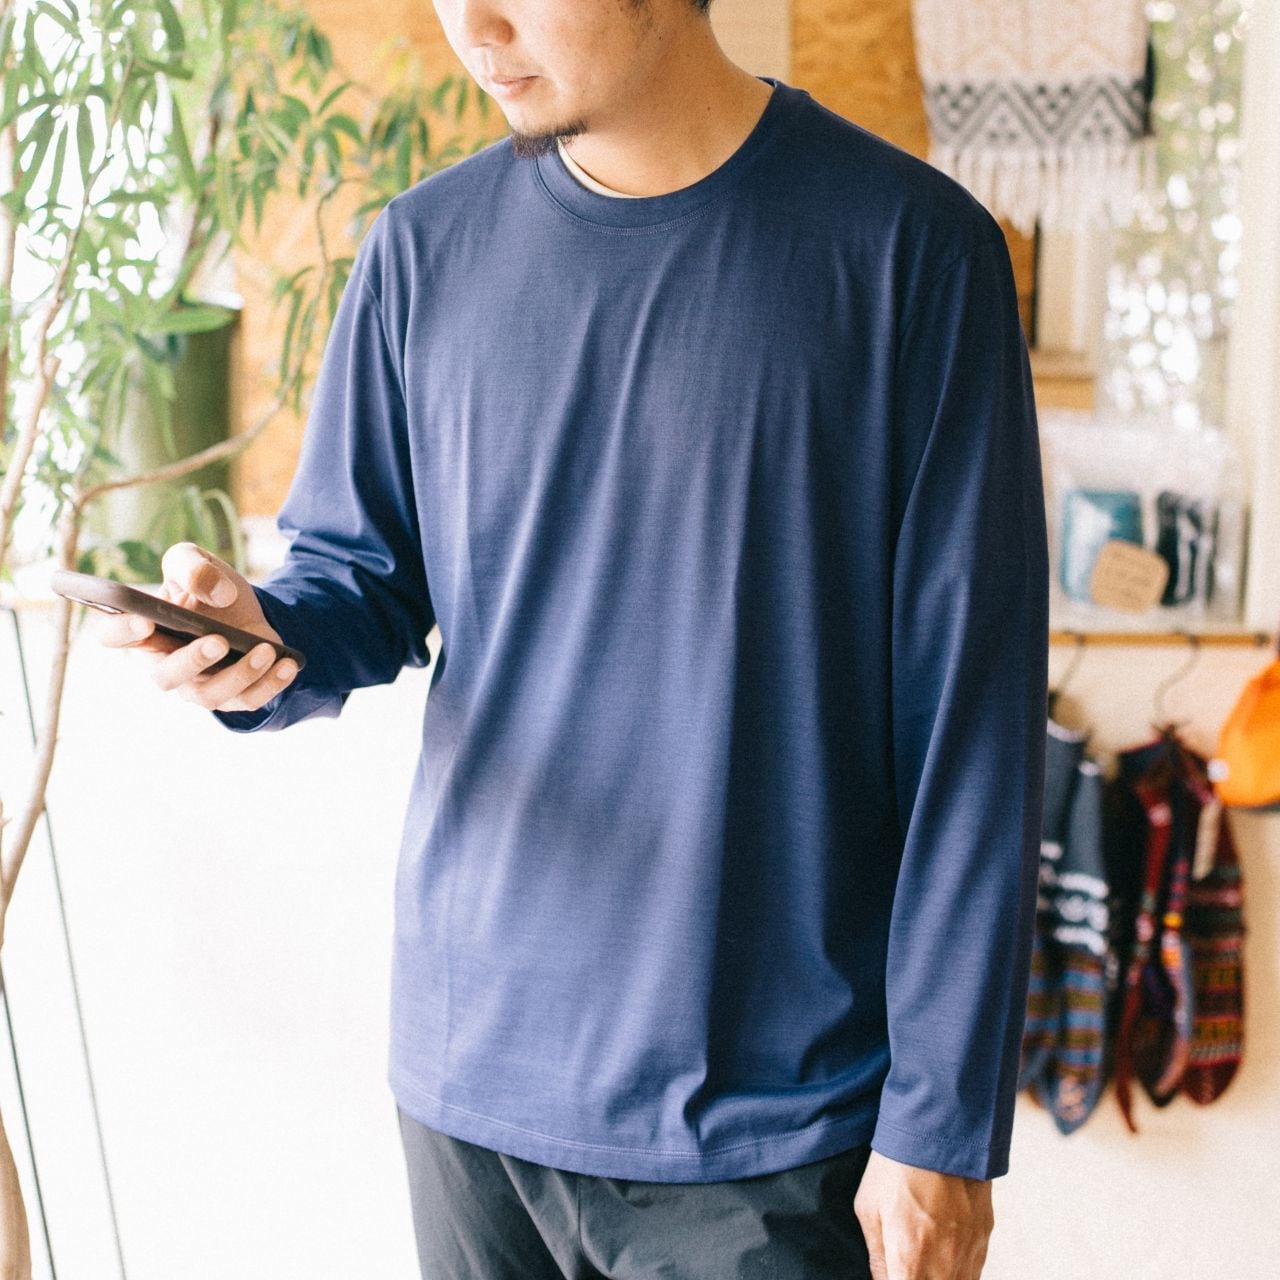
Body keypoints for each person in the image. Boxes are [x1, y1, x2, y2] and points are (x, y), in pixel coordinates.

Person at [91, 0, 1050, 1274]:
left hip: (771, 1121)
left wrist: (939, 1122)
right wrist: (248, 637)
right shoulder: (422, 250)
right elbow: (358, 583)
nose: (475, 27)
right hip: (470, 1087)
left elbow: (971, 723)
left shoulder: (910, 252)